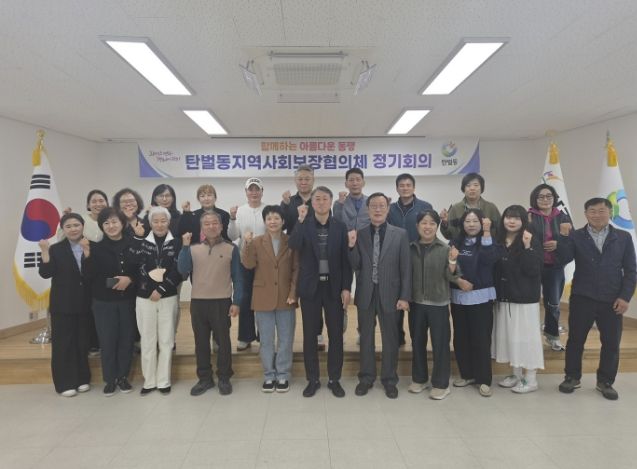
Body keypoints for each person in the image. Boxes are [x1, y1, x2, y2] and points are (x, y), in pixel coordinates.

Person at [557, 197, 636, 400]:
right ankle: (572, 377)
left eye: (601, 211)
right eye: (592, 211)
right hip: (582, 296)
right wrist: (564, 237)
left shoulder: (623, 237)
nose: (597, 215)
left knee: (611, 343)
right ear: (585, 214)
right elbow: (563, 258)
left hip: (612, 299)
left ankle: (605, 381)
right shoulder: (576, 236)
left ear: (610, 212)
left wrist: (625, 297)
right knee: (575, 340)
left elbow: (631, 270)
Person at [289, 186, 352, 398]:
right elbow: (294, 244)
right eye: (317, 199)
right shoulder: (304, 224)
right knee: (309, 336)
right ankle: (313, 379)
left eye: (325, 198)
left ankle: (334, 379)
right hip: (310, 288)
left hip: (333, 288)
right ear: (311, 203)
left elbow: (345, 261)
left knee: (336, 335)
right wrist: (299, 220)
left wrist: (346, 287)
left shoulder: (340, 226)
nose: (321, 202)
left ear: (331, 201)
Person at [348, 192, 410, 399]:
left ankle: (389, 380)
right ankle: (366, 378)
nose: (377, 209)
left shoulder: (400, 234)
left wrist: (404, 296)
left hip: (391, 294)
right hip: (366, 292)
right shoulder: (359, 234)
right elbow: (355, 264)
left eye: (381, 205)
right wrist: (351, 246)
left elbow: (405, 268)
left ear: (388, 208)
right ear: (367, 209)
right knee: (366, 338)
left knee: (390, 339)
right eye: (373, 205)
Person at [178, 211, 242, 396]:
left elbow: (238, 277)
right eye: (207, 224)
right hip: (198, 302)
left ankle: (224, 377)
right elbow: (183, 270)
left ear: (221, 226)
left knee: (223, 342)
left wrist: (237, 301)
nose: (211, 226)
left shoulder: (231, 248)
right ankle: (205, 379)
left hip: (222, 302)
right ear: (202, 228)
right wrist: (184, 246)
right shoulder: (193, 248)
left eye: (215, 223)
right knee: (201, 343)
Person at [241, 205, 299, 393]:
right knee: (266, 340)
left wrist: (293, 293)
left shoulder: (291, 241)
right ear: (265, 222)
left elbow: (296, 269)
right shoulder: (256, 242)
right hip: (262, 296)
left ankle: (283, 374)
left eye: (276, 218)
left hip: (286, 297)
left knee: (285, 339)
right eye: (269, 218)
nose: (273, 221)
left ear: (283, 221)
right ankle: (268, 375)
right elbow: (248, 264)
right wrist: (247, 244)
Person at [82, 208, 137, 396]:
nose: (111, 226)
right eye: (106, 223)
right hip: (103, 302)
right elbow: (89, 276)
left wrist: (130, 279)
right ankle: (110, 379)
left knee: (126, 339)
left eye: (114, 222)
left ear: (122, 223)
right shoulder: (95, 248)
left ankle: (123, 377)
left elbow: (140, 270)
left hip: (128, 300)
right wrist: (87, 255)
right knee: (107, 340)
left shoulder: (133, 244)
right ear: (101, 226)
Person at [130, 206, 183, 395]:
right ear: (150, 223)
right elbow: (133, 265)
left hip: (168, 296)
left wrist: (161, 289)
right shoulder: (141, 241)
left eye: (163, 221)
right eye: (155, 221)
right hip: (144, 298)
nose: (160, 225)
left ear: (169, 222)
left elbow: (179, 270)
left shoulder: (177, 243)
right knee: (147, 339)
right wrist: (137, 238)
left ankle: (163, 381)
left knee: (166, 340)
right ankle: (149, 381)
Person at [492, 205, 545, 394]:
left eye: (516, 218)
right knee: (510, 338)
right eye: (508, 217)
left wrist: (528, 246)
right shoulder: (498, 240)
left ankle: (531, 379)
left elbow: (534, 270)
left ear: (523, 221)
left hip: (524, 299)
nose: (511, 221)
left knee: (526, 339)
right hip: (504, 297)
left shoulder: (531, 239)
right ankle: (515, 374)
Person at [409, 210, 461, 400]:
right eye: (424, 223)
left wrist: (453, 262)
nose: (427, 227)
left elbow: (452, 277)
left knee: (440, 344)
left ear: (437, 226)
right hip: (416, 303)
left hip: (439, 303)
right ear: (417, 226)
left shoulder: (445, 249)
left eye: (432, 223)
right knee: (417, 342)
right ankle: (419, 379)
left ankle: (441, 383)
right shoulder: (410, 248)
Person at [38, 213, 91, 397]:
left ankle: (82, 378)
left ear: (83, 226)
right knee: (63, 343)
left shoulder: (91, 245)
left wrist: (88, 253)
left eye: (76, 225)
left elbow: (94, 273)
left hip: (85, 302)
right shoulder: (55, 249)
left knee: (82, 342)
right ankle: (65, 383)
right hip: (63, 303)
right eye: (68, 226)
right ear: (63, 229)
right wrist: (44, 251)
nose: (73, 229)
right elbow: (46, 273)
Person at [449, 209, 500, 397]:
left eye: (475, 221)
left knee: (481, 339)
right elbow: (449, 267)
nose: (471, 225)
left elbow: (489, 259)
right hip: (459, 296)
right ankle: (467, 374)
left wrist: (486, 232)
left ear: (483, 223)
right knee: (461, 338)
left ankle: (484, 379)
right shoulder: (455, 242)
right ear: (462, 224)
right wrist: (458, 281)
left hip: (481, 297)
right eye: (467, 221)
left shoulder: (489, 241)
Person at [281, 165, 325, 351]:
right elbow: (281, 225)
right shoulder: (289, 201)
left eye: (307, 178)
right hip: (294, 252)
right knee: (290, 292)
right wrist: (284, 205)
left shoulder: (320, 199)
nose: (304, 182)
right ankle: (286, 336)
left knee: (316, 292)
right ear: (295, 181)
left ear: (313, 180)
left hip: (316, 253)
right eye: (300, 179)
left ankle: (318, 332)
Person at [387, 173, 433, 346]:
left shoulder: (425, 207)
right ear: (397, 188)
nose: (405, 188)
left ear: (413, 187)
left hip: (418, 258)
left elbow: (430, 229)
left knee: (416, 300)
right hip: (394, 260)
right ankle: (398, 337)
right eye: (402, 185)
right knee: (395, 299)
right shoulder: (390, 208)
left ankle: (417, 339)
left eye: (408, 185)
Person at [528, 184, 572, 351]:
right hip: (532, 266)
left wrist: (558, 244)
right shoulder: (528, 216)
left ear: (554, 198)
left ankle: (552, 336)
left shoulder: (563, 217)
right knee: (529, 302)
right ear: (535, 199)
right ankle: (529, 337)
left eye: (549, 196)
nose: (545, 199)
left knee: (553, 304)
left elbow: (572, 242)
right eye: (541, 196)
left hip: (554, 267)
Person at [228, 177, 267, 351]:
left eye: (257, 189)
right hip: (244, 261)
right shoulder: (240, 211)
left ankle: (264, 335)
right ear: (246, 192)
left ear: (262, 191)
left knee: (264, 299)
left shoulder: (268, 210)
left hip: (265, 262)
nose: (254, 192)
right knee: (245, 298)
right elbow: (232, 236)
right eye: (251, 189)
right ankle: (245, 337)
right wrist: (232, 218)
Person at [440, 172, 501, 240]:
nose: (472, 188)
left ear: (482, 188)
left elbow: (500, 231)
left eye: (476, 185)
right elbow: (448, 235)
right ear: (463, 189)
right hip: (460, 246)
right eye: (468, 185)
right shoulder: (455, 209)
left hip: (487, 245)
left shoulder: (491, 208)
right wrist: (445, 223)